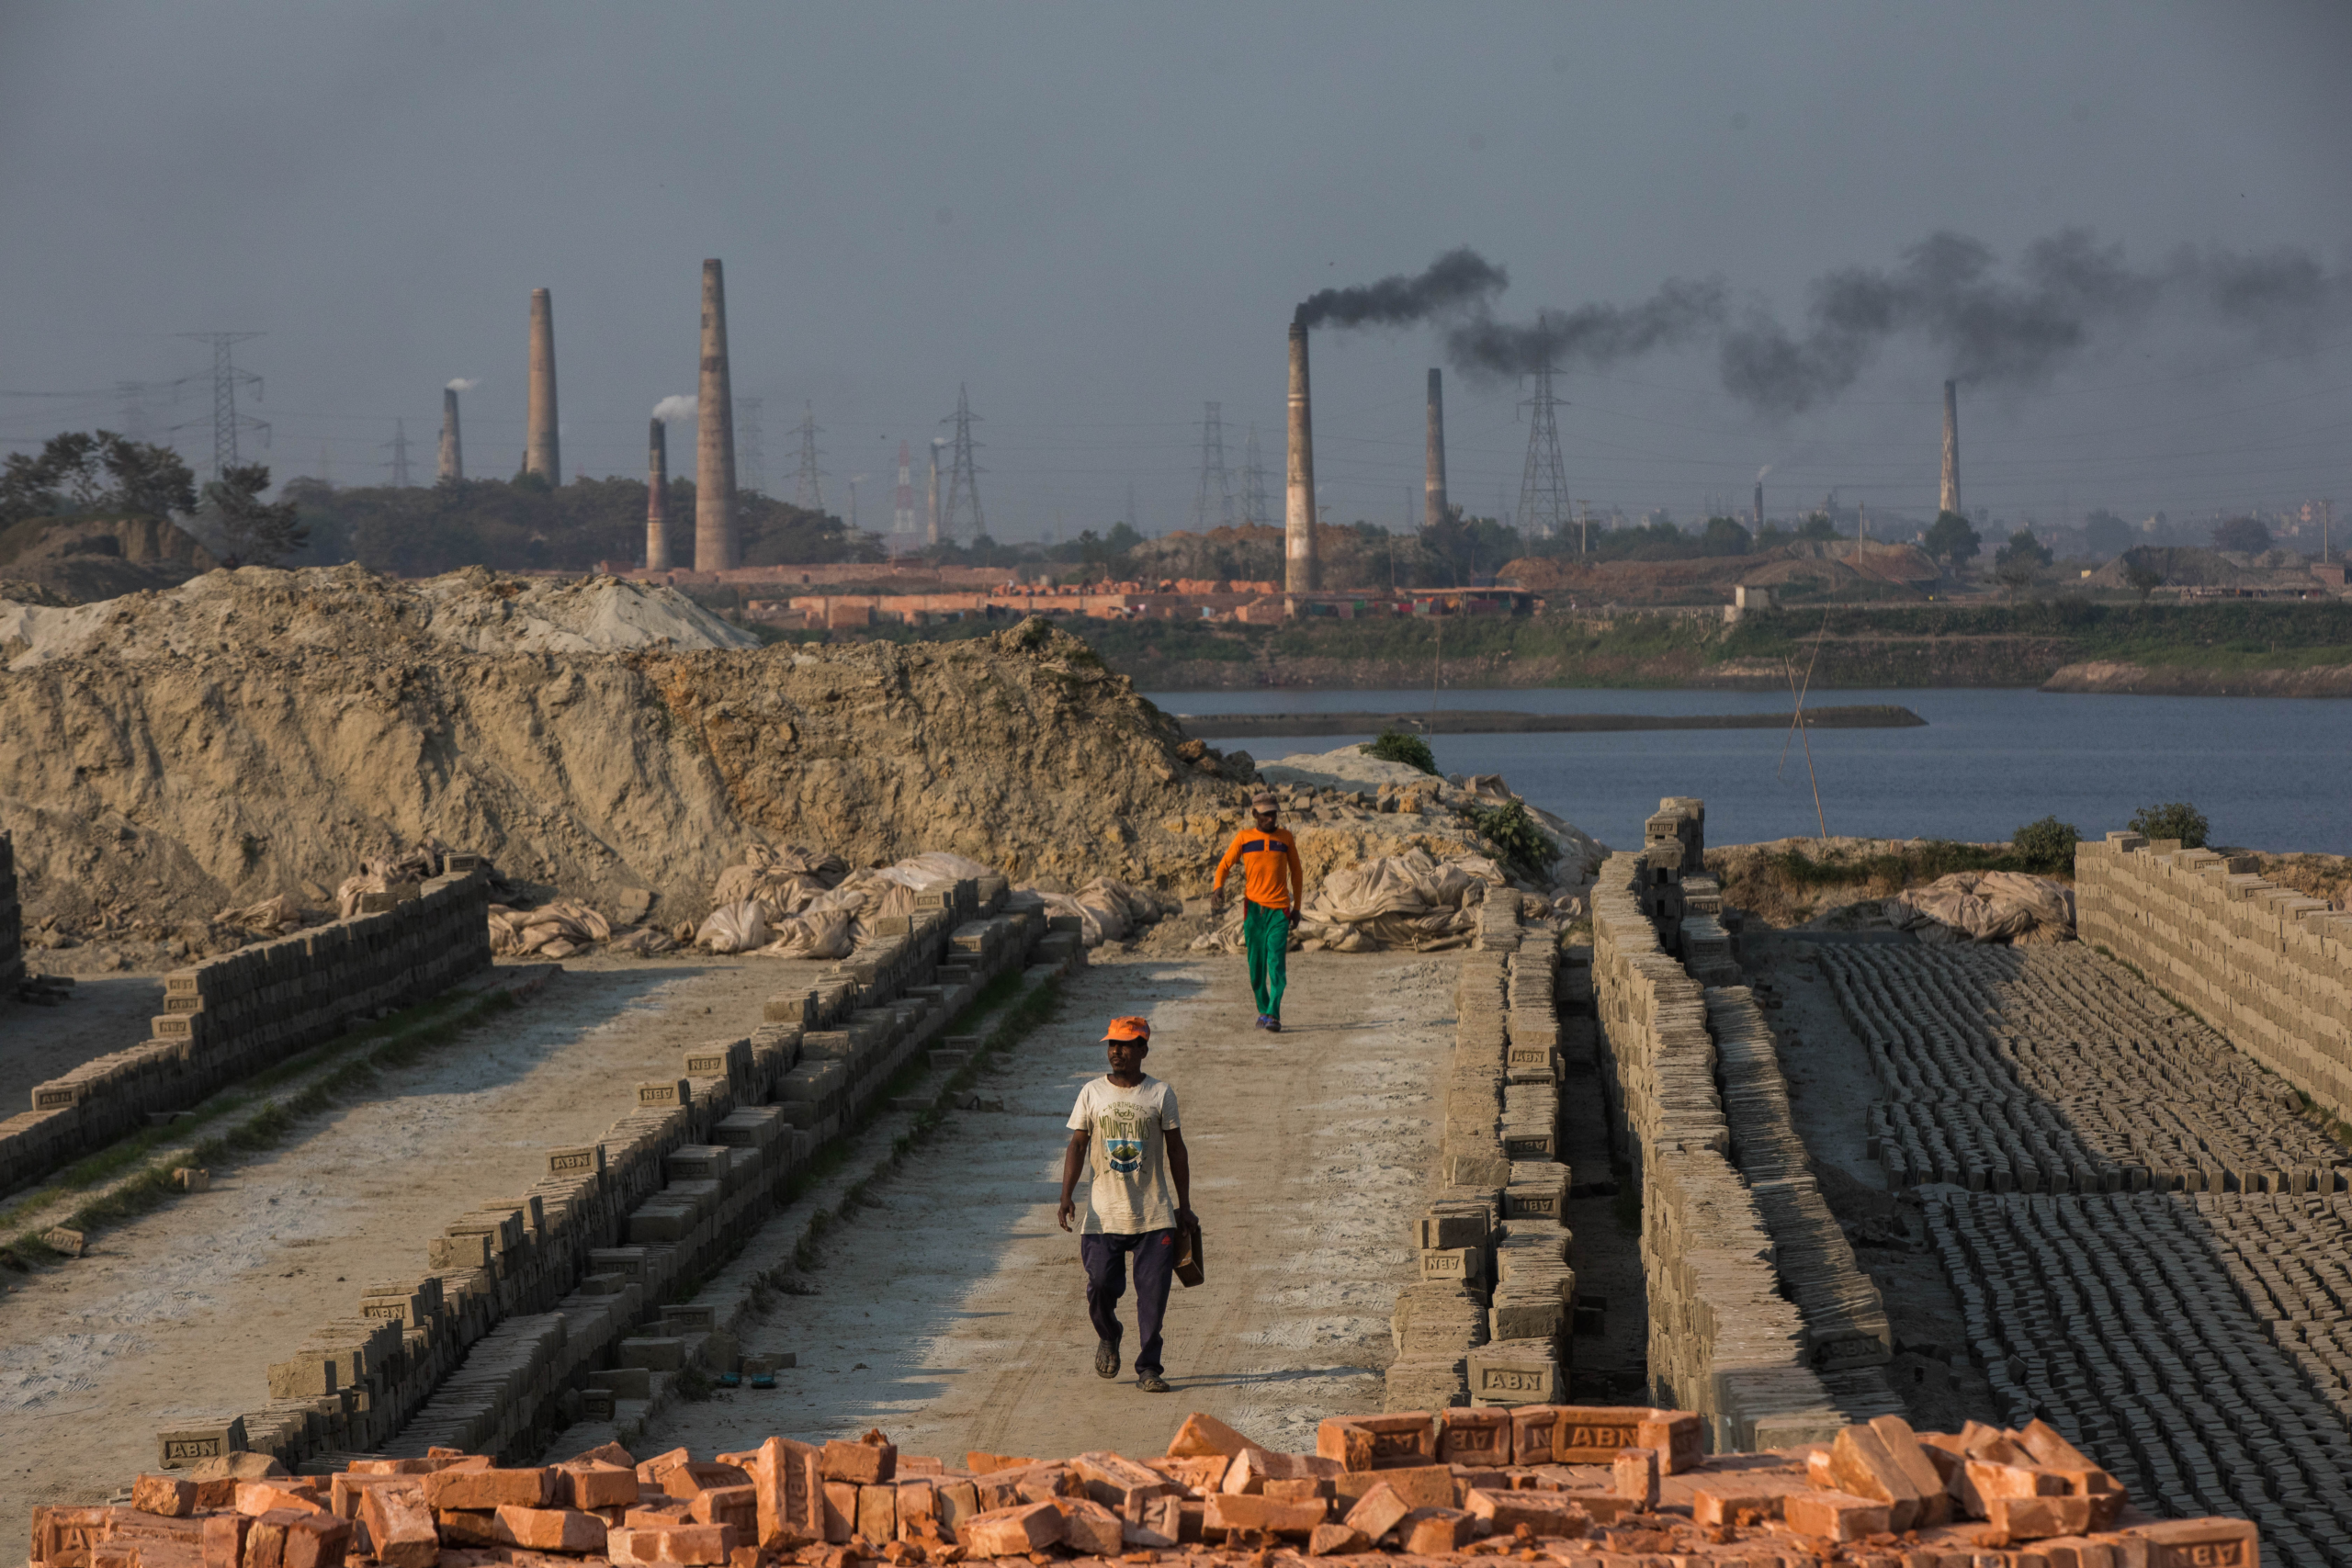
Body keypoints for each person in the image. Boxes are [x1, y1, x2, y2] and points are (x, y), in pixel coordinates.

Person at [1057, 1015, 1193, 1393]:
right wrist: (1066, 1194)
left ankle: (1149, 1368)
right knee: (1100, 1285)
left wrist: (1184, 1207)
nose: (1116, 1051)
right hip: (1104, 1215)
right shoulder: (1091, 1093)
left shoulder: (1160, 1094)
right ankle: (1109, 1332)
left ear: (1143, 1050)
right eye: (1112, 1045)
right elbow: (1078, 1145)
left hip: (1153, 1215)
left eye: (1126, 1045)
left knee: (1152, 1300)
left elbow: (1176, 1150)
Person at [1209, 789, 1303, 1031]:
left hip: (1279, 911)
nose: (1271, 819)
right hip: (1253, 911)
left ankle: (1273, 1014)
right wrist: (1218, 887)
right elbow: (1224, 865)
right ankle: (1263, 1009)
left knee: (1276, 963)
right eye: (1265, 815)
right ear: (1254, 814)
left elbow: (1297, 873)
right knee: (1256, 966)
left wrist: (1297, 908)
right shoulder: (1244, 838)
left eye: (1273, 814)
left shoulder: (1286, 838)